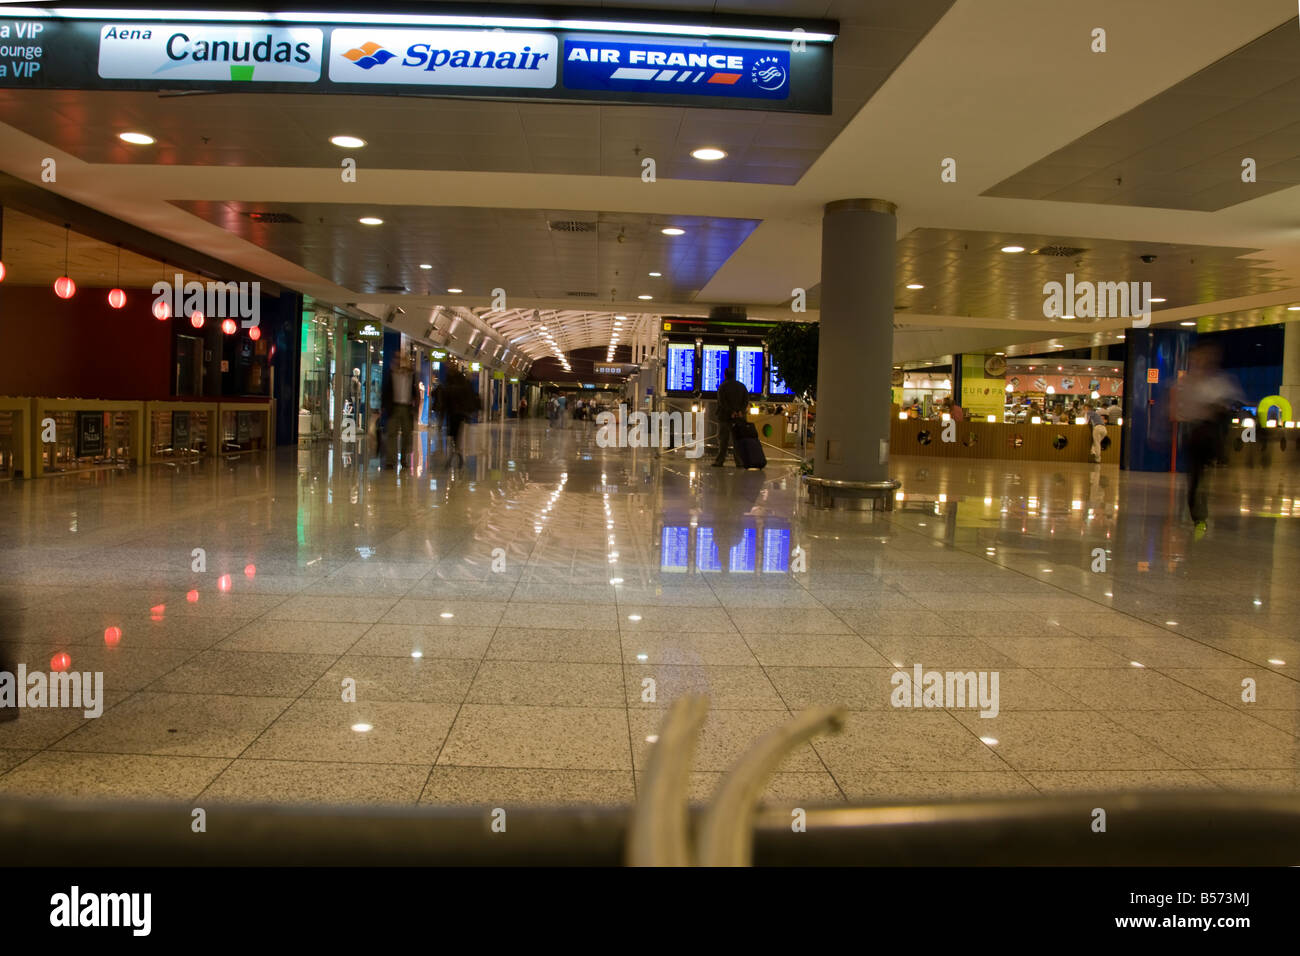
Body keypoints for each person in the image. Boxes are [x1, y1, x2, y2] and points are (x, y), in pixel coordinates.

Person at [1172, 343, 1244, 534]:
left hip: (1212, 431)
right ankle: (1199, 516)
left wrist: (1214, 409)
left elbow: (1229, 405)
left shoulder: (1220, 382)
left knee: (1206, 475)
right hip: (1197, 432)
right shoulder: (1187, 383)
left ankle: (1207, 512)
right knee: (1196, 477)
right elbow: (1177, 408)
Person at [381, 352, 419, 470]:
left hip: (407, 408)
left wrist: (415, 408)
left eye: (401, 359)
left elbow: (414, 392)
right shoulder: (391, 374)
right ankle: (390, 461)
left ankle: (404, 460)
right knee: (391, 434)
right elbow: (386, 391)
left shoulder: (410, 375)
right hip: (394, 407)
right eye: (397, 358)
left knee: (407, 435)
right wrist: (383, 406)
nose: (399, 361)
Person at [712, 368, 750, 467]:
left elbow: (722, 402)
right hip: (739, 418)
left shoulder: (722, 386)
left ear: (725, 375)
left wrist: (731, 412)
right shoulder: (742, 386)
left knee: (723, 440)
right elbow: (746, 400)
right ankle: (739, 461)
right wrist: (739, 411)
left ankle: (720, 461)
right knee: (737, 440)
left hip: (724, 417)